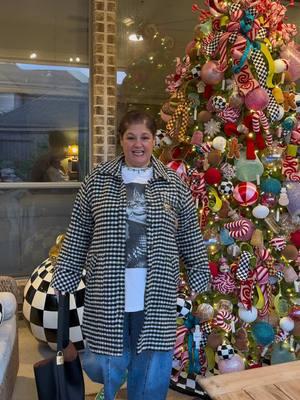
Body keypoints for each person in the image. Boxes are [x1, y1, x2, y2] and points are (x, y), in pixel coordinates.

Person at [50, 110, 209, 400]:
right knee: (104, 364)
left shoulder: (173, 184)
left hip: (157, 293)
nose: (138, 144)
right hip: (107, 291)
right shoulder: (97, 182)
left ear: (154, 140)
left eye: (145, 137)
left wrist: (199, 278)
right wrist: (65, 276)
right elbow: (77, 234)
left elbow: (190, 237)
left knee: (151, 369)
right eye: (131, 137)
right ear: (120, 141)